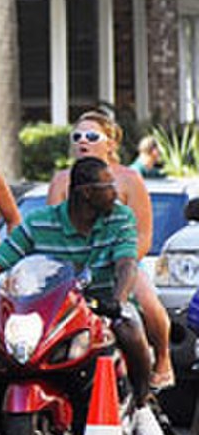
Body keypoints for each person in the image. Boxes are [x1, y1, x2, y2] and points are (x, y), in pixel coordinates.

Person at [0, 156, 167, 435]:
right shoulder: (41, 221)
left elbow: (127, 265)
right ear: (86, 192)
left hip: (102, 306)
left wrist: (117, 300)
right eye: (107, 187)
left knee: (131, 329)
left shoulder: (119, 218)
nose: (114, 193)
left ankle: (143, 405)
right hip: (50, 313)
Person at [47, 110, 173, 390]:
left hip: (119, 260)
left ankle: (162, 361)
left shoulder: (128, 179)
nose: (83, 142)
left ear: (110, 143)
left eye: (92, 136)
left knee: (149, 304)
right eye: (77, 136)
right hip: (72, 266)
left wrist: (126, 260)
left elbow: (143, 234)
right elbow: (51, 228)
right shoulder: (61, 180)